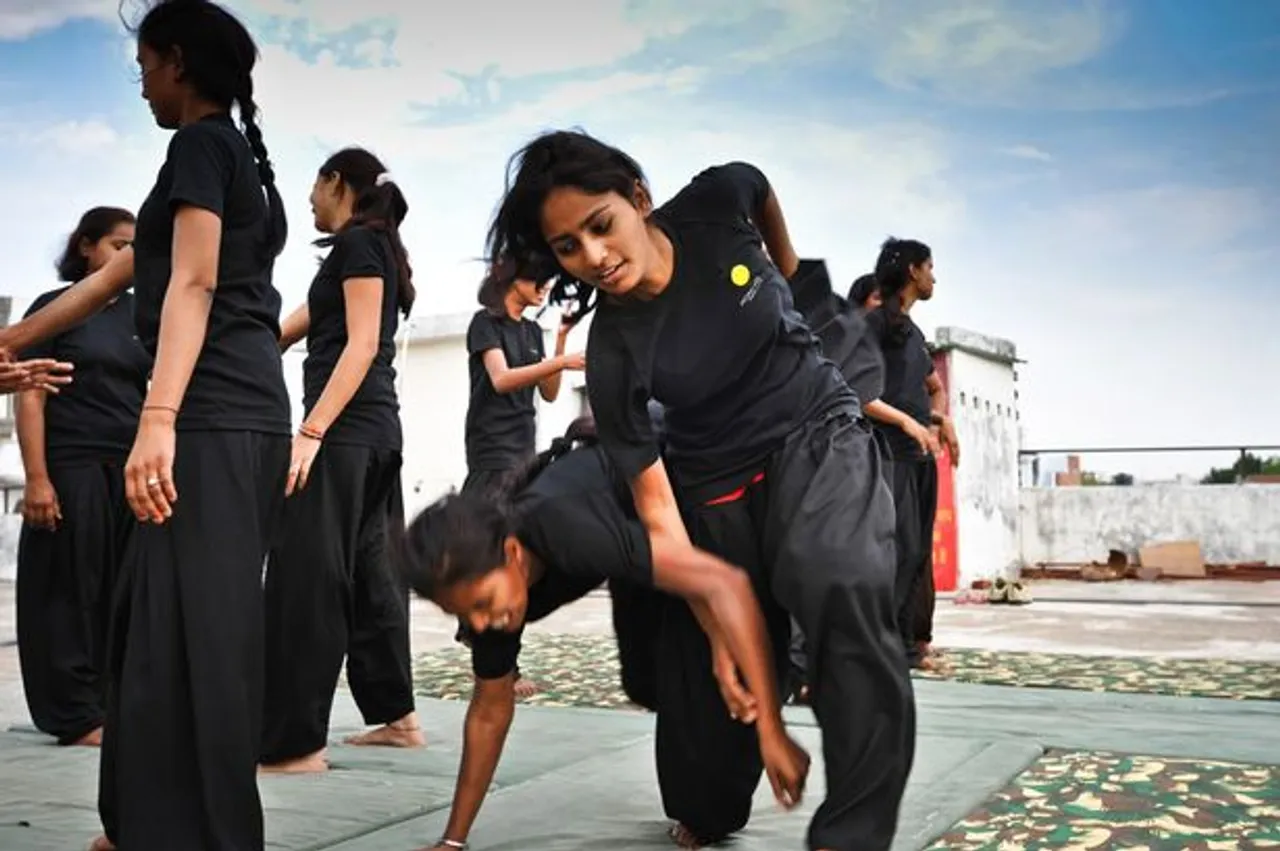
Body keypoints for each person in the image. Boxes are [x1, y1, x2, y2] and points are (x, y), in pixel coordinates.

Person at [485, 129, 913, 851]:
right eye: (567, 247)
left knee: (835, 576)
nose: (593, 256)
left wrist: (789, 276)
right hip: (713, 489)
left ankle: (853, 835)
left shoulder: (716, 201)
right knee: (715, 710)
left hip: (815, 430)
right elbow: (660, 514)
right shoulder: (617, 354)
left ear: (639, 200)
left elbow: (761, 187)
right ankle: (709, 802)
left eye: (601, 224)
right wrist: (719, 631)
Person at [0, 2, 292, 848]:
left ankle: (199, 831)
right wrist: (10, 341)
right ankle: (143, 820)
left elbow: (192, 286)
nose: (140, 87)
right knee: (154, 620)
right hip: (226, 416)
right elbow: (108, 284)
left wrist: (157, 416)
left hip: (213, 418)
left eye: (144, 67)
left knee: (196, 626)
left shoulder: (201, 145)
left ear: (176, 62)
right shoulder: (218, 160)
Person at [398, 417, 809, 851]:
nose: (481, 625)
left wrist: (771, 729)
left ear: (513, 554)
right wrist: (453, 841)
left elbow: (724, 584)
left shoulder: (565, 530)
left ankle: (780, 673)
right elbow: (488, 713)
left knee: (710, 803)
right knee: (645, 682)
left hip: (692, 502)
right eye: (463, 615)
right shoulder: (489, 598)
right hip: (631, 542)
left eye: (482, 606)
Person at [261, 147, 423, 774]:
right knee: (372, 577)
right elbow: (289, 329)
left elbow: (357, 347)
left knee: (306, 582)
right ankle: (398, 718)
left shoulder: (359, 246)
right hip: (378, 435)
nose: (308, 199)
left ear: (336, 181)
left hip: (344, 433)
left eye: (313, 183)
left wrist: (311, 430)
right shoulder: (373, 249)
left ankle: (296, 746)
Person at [14, 207, 149, 748]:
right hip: (71, 469)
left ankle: (111, 706)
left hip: (131, 470)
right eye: (121, 246)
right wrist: (37, 478)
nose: (131, 257)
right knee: (68, 593)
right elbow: (29, 394)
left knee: (122, 593)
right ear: (88, 247)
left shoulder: (146, 314)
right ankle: (74, 715)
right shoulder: (53, 311)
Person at [459, 254, 585, 696]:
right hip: (491, 453)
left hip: (523, 454)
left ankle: (496, 653)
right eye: (542, 279)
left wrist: (561, 343)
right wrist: (563, 365)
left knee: (516, 559)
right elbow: (501, 379)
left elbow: (548, 394)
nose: (547, 288)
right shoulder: (485, 323)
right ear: (514, 277)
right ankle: (492, 656)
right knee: (490, 554)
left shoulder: (533, 331)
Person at [863, 237, 960, 671]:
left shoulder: (913, 333)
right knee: (891, 553)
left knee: (917, 552)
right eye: (930, 267)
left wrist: (940, 421)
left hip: (919, 458)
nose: (934, 276)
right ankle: (881, 649)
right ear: (912, 272)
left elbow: (933, 388)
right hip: (885, 457)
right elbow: (855, 389)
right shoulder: (873, 325)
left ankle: (907, 646)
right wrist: (905, 421)